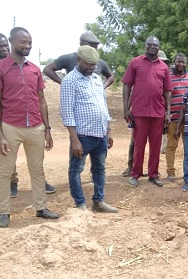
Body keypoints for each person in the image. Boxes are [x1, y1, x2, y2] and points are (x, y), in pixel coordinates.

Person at [0, 27, 60, 227]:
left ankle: (41, 208)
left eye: (30, 42)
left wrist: (48, 129)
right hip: (9, 127)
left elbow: (41, 100)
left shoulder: (34, 69)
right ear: (11, 42)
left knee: (37, 170)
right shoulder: (1, 68)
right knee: (4, 171)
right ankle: (3, 212)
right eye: (23, 42)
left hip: (35, 126)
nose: (27, 46)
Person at [60, 45, 118, 212]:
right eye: (88, 64)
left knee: (99, 168)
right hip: (82, 136)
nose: (92, 67)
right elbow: (67, 111)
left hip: (101, 133)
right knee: (76, 169)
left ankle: (98, 202)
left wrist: (109, 130)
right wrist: (74, 139)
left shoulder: (95, 79)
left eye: (94, 64)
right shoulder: (69, 81)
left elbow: (103, 106)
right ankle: (80, 205)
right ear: (78, 60)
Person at [122, 35, 172, 187]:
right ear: (145, 46)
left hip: (157, 111)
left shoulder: (164, 67)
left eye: (155, 45)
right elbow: (126, 85)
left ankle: (153, 174)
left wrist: (167, 112)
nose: (152, 47)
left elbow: (168, 91)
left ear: (159, 47)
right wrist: (125, 108)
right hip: (139, 111)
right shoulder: (135, 62)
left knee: (156, 145)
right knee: (139, 144)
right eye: (149, 44)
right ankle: (135, 174)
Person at [43, 32, 114, 89]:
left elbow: (110, 76)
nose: (92, 50)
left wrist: (101, 88)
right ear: (81, 45)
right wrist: (64, 84)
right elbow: (47, 69)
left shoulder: (100, 62)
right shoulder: (69, 58)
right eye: (89, 47)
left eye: (95, 48)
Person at [166, 53, 188, 182]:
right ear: (174, 62)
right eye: (179, 62)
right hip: (173, 118)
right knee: (172, 145)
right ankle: (170, 172)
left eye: (183, 62)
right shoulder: (168, 77)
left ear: (186, 63)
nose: (181, 64)